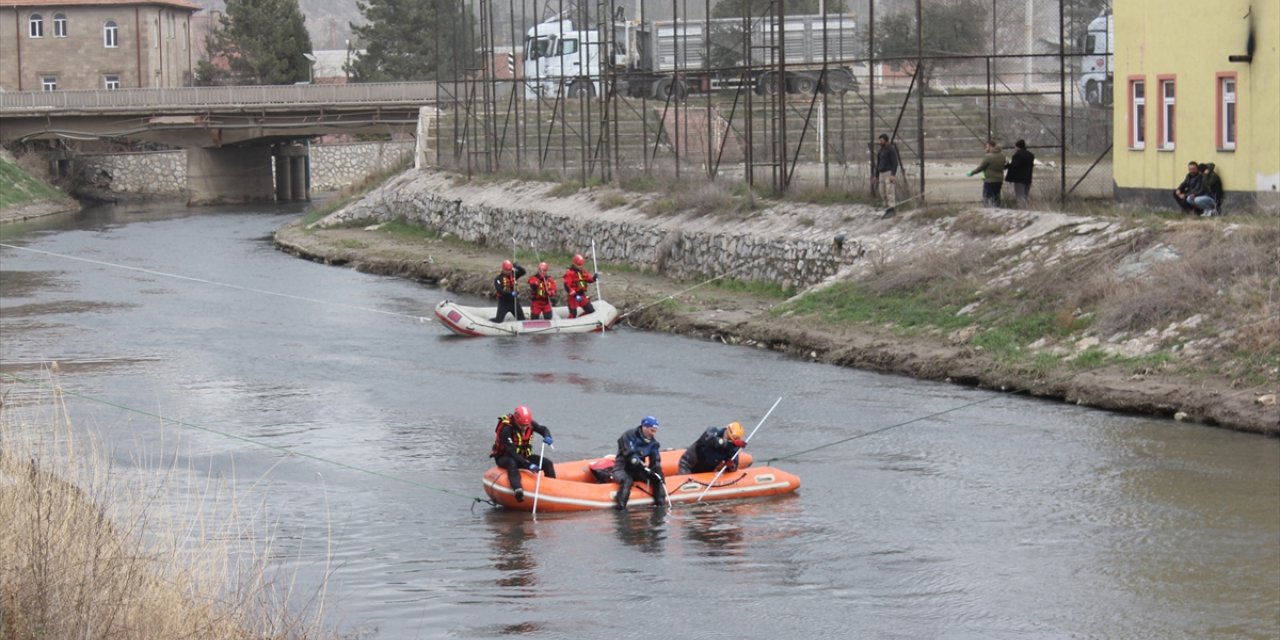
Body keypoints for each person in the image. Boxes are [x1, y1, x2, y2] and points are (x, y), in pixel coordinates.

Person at [490, 405, 554, 503]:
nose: (524, 428)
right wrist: (528, 464)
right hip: (505, 457)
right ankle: (518, 490)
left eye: (526, 426)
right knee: (512, 463)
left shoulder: (529, 424)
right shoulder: (506, 429)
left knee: (548, 463)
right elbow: (511, 452)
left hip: (524, 456)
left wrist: (547, 436)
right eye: (522, 425)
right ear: (516, 421)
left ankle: (553, 490)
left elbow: (543, 429)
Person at [611, 416, 665, 510]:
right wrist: (643, 467)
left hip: (637, 470)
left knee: (657, 479)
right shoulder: (628, 436)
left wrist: (657, 472)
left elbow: (655, 460)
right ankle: (620, 508)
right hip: (622, 468)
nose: (653, 434)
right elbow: (630, 455)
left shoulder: (653, 443)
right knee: (627, 481)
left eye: (655, 431)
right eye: (652, 430)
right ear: (645, 427)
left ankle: (660, 506)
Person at [678, 421, 747, 474]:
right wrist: (729, 443)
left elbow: (734, 467)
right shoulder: (712, 432)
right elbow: (712, 441)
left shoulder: (732, 448)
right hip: (688, 465)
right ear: (726, 430)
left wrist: (730, 466)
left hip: (705, 472)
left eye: (731, 440)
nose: (728, 440)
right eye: (728, 437)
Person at [966, 140, 1006, 207]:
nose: (986, 148)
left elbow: (981, 167)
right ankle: (998, 209)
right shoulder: (1002, 155)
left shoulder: (988, 156)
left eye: (987, 147)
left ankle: (989, 210)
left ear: (990, 146)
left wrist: (972, 173)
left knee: (988, 198)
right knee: (997, 197)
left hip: (989, 180)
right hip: (999, 180)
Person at [563, 254, 598, 319]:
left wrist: (594, 278)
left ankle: (581, 319)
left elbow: (589, 279)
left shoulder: (583, 272)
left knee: (590, 310)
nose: (580, 266)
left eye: (581, 265)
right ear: (574, 264)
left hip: (581, 295)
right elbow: (567, 286)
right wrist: (575, 295)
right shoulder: (569, 273)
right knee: (573, 313)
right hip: (573, 297)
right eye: (579, 265)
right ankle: (569, 322)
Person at [874, 133, 900, 217]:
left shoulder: (891, 149)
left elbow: (895, 162)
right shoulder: (880, 151)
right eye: (879, 140)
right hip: (881, 173)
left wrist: (893, 174)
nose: (880, 142)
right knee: (882, 191)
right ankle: (887, 209)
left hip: (888, 173)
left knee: (889, 191)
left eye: (881, 140)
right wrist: (876, 176)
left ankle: (892, 209)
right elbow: (878, 164)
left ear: (885, 141)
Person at [1004, 140, 1035, 208]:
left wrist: (1007, 165)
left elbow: (1015, 166)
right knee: (1025, 196)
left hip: (1019, 179)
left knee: (1020, 196)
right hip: (1028, 178)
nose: (1014, 148)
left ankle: (1021, 210)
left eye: (1015, 146)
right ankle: (1027, 209)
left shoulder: (1017, 155)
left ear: (1018, 147)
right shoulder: (1031, 155)